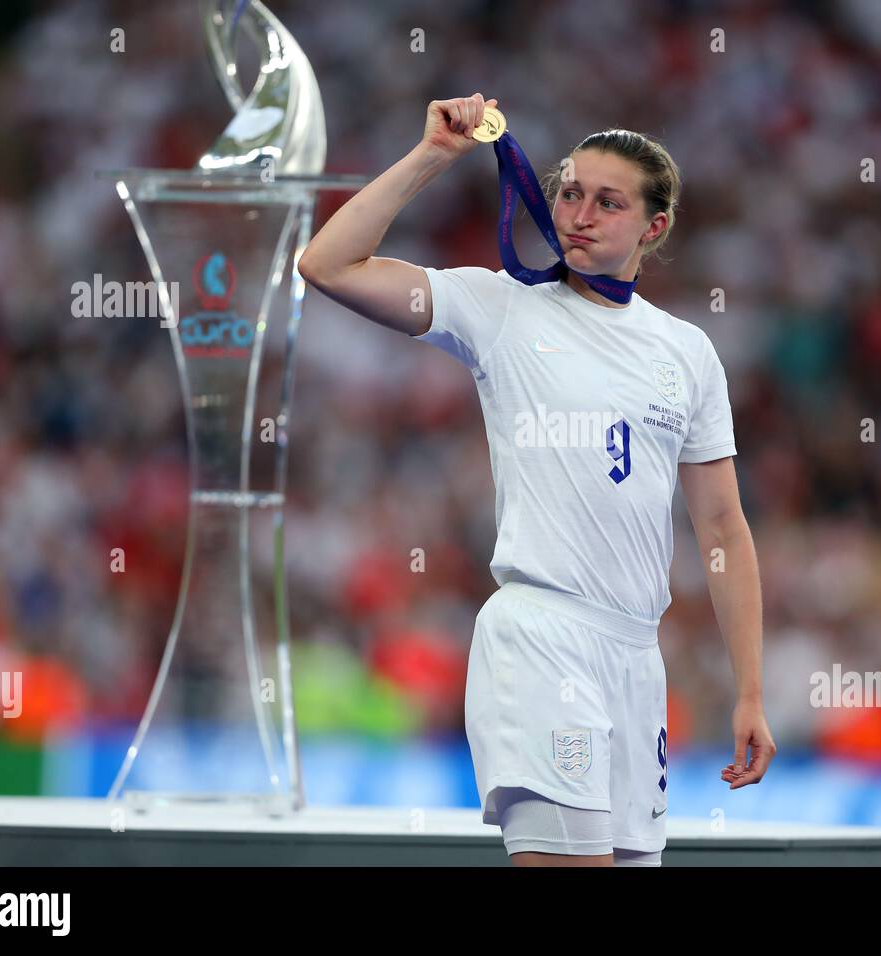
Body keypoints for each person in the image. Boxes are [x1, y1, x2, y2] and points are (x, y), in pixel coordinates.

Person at [299, 93, 775, 866]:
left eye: (609, 202)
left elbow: (722, 527)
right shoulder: (500, 305)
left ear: (654, 228)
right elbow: (328, 265)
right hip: (542, 639)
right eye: (570, 191)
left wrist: (749, 689)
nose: (580, 213)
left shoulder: (687, 352)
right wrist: (433, 157)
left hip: (634, 656)